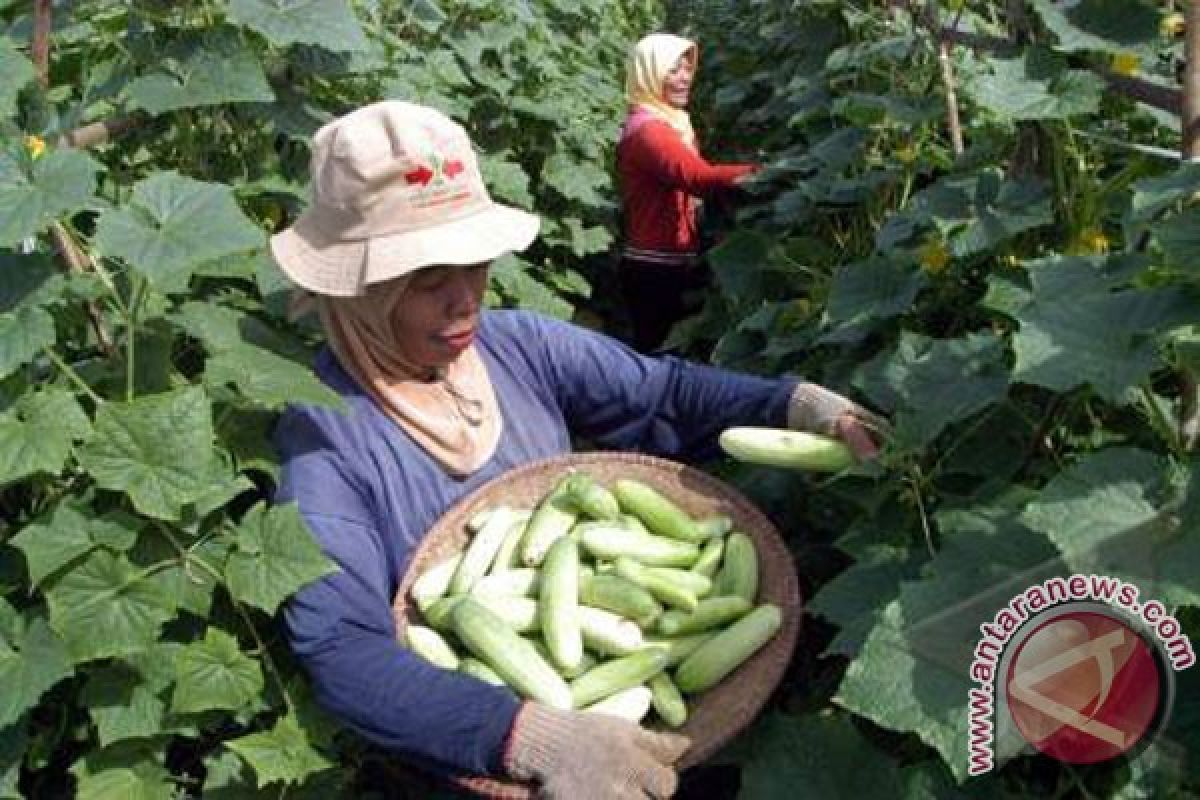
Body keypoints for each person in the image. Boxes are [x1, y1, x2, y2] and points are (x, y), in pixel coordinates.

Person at [269, 100, 884, 799]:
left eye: (476, 266)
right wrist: (528, 737)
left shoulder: (517, 345)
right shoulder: (325, 437)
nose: (466, 302)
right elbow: (342, 648)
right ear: (356, 290)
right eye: (429, 281)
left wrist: (795, 405)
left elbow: (661, 396)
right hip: (465, 756)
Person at [616, 33, 759, 353]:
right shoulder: (649, 132)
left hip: (671, 259)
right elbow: (696, 177)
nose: (684, 78)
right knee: (657, 362)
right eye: (673, 70)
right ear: (649, 73)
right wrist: (766, 172)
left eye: (687, 69)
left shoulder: (670, 121)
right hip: (654, 266)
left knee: (669, 359)